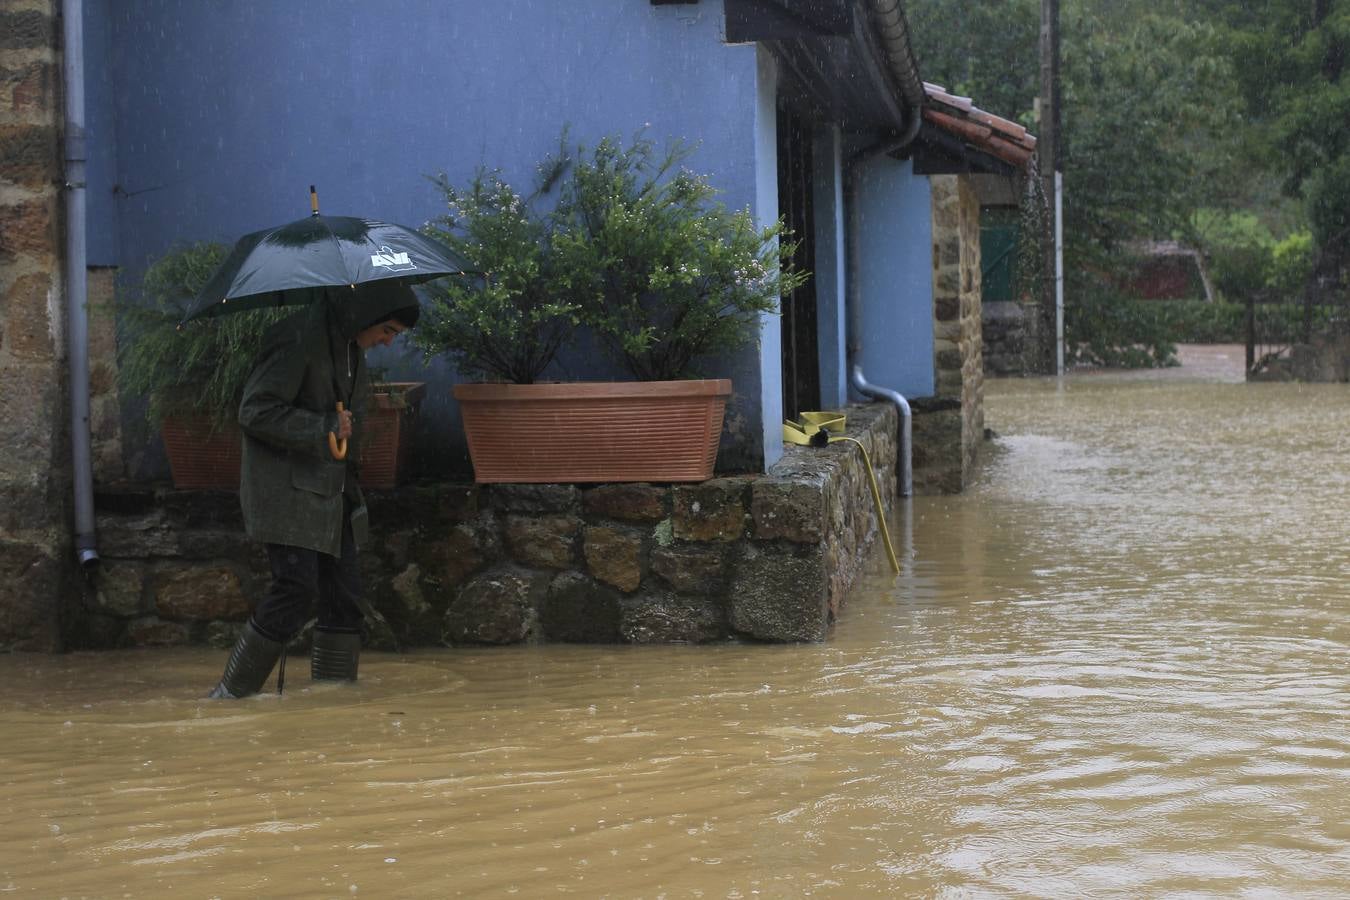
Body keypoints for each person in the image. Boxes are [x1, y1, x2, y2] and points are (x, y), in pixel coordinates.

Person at [207, 281, 420, 699]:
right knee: (296, 588)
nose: (386, 342)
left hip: (333, 491)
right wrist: (321, 426)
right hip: (287, 492)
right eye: (388, 331)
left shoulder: (349, 348)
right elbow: (255, 410)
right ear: (367, 316)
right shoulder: (296, 338)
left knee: (345, 595)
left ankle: (334, 702)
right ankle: (230, 697)